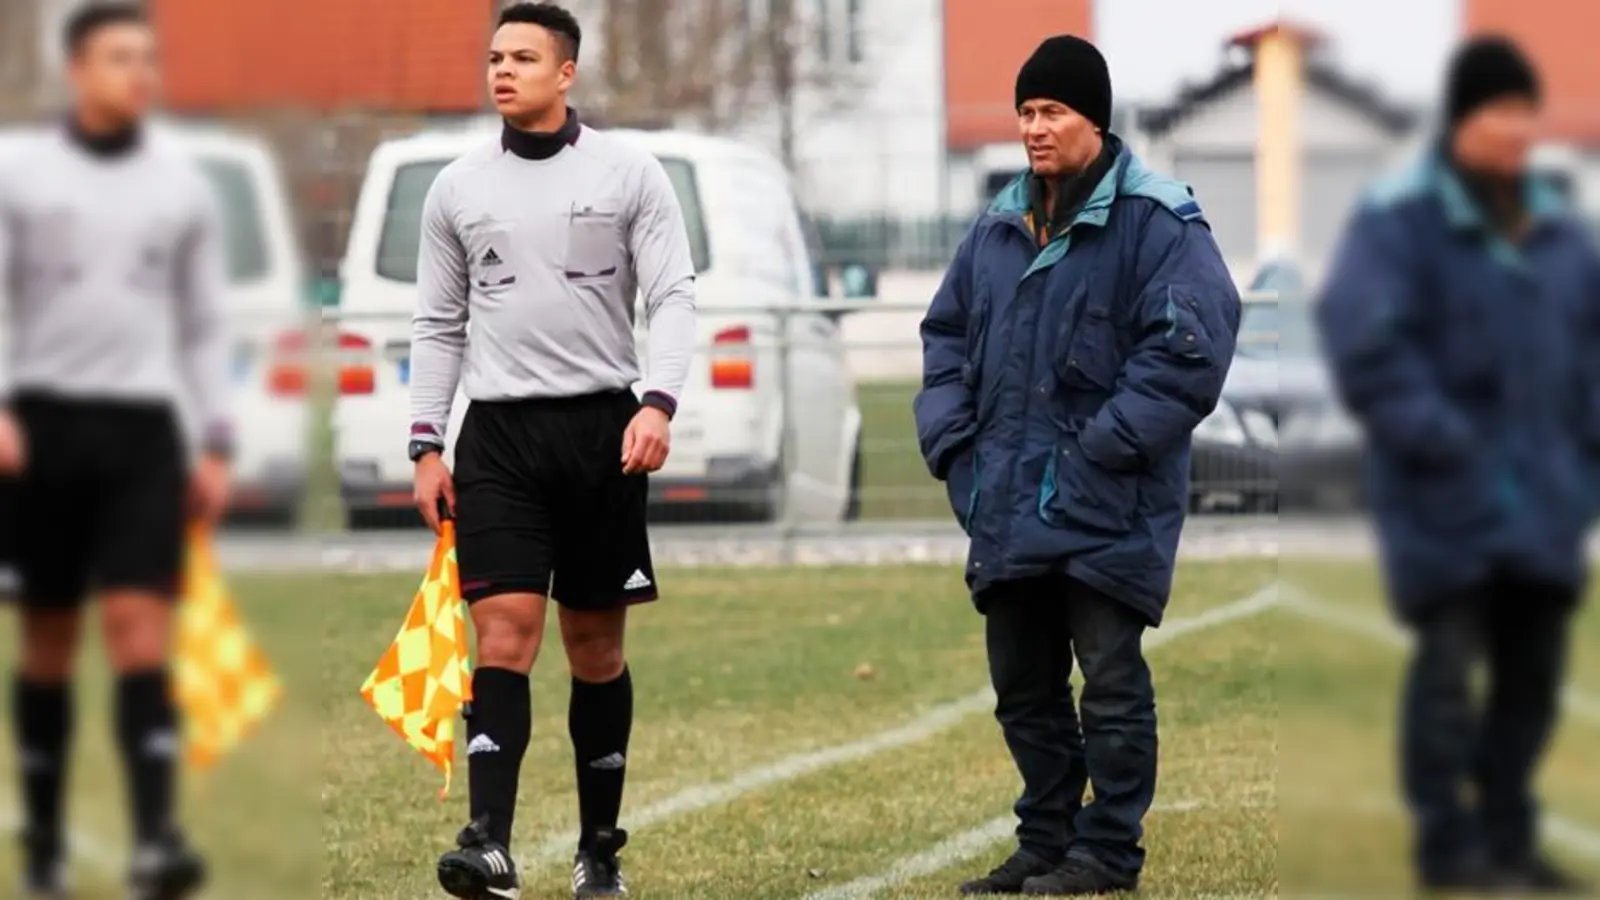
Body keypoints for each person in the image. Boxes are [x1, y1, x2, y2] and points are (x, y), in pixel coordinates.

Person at [914, 34, 1241, 897]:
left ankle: (1108, 852)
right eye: (1025, 111)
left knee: (1109, 681)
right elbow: (945, 340)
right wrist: (955, 453)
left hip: (1109, 501)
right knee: (1023, 687)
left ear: (1092, 118)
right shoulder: (994, 227)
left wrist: (1099, 450)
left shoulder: (1160, 223)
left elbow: (1187, 353)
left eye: (1051, 110)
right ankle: (1047, 841)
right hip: (1007, 502)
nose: (1034, 127)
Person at [406, 3, 696, 897]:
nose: (503, 70)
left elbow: (674, 294)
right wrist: (425, 442)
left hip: (601, 433)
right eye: (495, 57)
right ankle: (488, 842)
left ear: (565, 73)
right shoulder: (455, 188)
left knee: (595, 650)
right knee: (503, 631)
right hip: (498, 439)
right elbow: (438, 324)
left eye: (523, 58)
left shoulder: (628, 173)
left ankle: (598, 850)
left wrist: (658, 403)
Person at [1316, 35, 1598, 895]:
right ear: (1463, 118)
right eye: (1496, 112)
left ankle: (1510, 838)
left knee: (1532, 684)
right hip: (1447, 497)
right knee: (1445, 682)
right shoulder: (1400, 219)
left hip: (1548, 497)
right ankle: (1449, 850)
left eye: (1523, 111)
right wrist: (1443, 439)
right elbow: (1366, 344)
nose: (1514, 129)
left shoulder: (1558, 226)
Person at [0, 3, 233, 898]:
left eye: (148, 58)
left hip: (143, 435)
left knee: (141, 631)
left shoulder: (180, 188)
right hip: (40, 431)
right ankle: (47, 851)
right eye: (118, 58)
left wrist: (215, 439)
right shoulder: (23, 177)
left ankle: (154, 841)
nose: (139, 73)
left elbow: (206, 324)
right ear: (77, 72)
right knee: (49, 644)